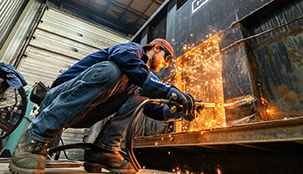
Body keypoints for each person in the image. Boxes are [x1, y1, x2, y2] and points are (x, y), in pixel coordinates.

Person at [9, 38, 194, 174]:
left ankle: (105, 150)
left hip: (86, 114)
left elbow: (152, 108)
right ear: (156, 48)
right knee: (111, 71)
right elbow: (125, 60)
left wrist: (179, 112)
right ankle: (36, 137)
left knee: (145, 94)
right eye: (166, 58)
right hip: (57, 100)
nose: (165, 65)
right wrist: (166, 89)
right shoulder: (133, 49)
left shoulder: (143, 79)